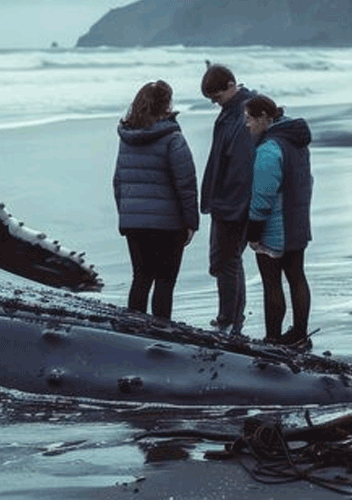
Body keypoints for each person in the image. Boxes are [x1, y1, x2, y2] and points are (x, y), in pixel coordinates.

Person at [113, 80, 199, 321]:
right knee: (164, 281)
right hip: (168, 224)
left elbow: (118, 181)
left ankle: (132, 334)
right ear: (167, 104)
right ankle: (162, 334)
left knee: (140, 277)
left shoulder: (126, 137)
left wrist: (126, 215)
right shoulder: (173, 138)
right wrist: (191, 222)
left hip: (134, 223)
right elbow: (186, 184)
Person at [243, 94, 314, 349]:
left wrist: (253, 231)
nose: (247, 124)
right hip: (297, 222)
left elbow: (263, 196)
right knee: (297, 277)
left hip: (275, 227)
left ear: (264, 117)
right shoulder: (296, 143)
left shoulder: (269, 149)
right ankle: (300, 333)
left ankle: (272, 338)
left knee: (272, 283)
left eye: (250, 118)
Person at [199, 63, 257, 335]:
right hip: (228, 198)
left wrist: (232, 203)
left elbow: (242, 166)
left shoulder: (244, 114)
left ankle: (228, 320)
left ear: (231, 86)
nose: (215, 102)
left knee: (226, 260)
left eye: (217, 97)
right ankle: (231, 318)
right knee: (227, 260)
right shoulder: (231, 111)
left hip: (235, 200)